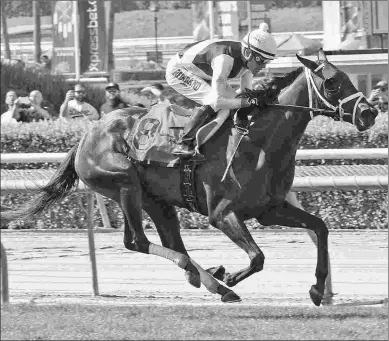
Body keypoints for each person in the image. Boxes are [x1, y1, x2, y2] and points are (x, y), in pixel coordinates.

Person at [165, 22, 277, 158]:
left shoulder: (249, 60)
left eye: (267, 62)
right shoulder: (224, 60)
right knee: (216, 104)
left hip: (201, 71)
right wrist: (248, 102)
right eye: (262, 61)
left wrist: (257, 100)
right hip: (179, 71)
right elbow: (218, 101)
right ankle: (184, 144)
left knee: (232, 104)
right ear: (248, 53)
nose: (264, 66)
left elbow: (245, 93)